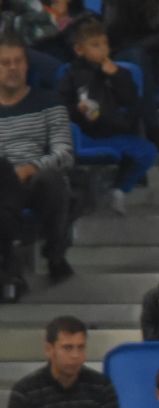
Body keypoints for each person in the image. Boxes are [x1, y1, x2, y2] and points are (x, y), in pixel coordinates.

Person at [57, 21, 157, 215]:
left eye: (105, 44)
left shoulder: (122, 73)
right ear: (79, 50)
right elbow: (58, 106)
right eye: (95, 45)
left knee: (148, 152)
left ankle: (119, 189)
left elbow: (133, 102)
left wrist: (117, 76)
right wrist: (77, 109)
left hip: (114, 133)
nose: (103, 49)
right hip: (82, 135)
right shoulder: (70, 74)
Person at [0, 33, 75, 283]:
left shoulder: (48, 102)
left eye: (18, 62)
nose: (13, 68)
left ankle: (55, 254)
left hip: (34, 179)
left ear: (26, 65)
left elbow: (64, 153)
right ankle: (9, 268)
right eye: (5, 62)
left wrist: (31, 167)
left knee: (52, 179)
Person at [5, 316, 122, 408]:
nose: (75, 355)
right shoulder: (24, 392)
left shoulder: (102, 386)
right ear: (49, 350)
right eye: (67, 348)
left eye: (81, 347)